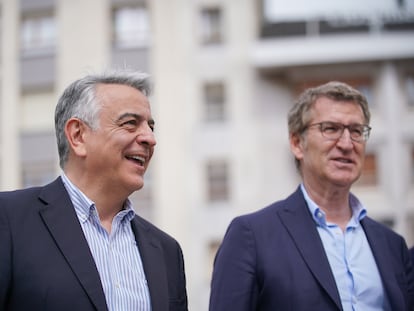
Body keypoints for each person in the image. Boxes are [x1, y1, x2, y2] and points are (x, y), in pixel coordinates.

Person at [209, 81, 414, 310]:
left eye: (356, 131)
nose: (347, 143)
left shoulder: (392, 245)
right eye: (331, 129)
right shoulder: (251, 237)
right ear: (297, 143)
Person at [0, 69, 188, 311]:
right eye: (131, 123)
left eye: (151, 127)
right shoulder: (8, 219)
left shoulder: (167, 251)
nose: (150, 138)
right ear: (78, 135)